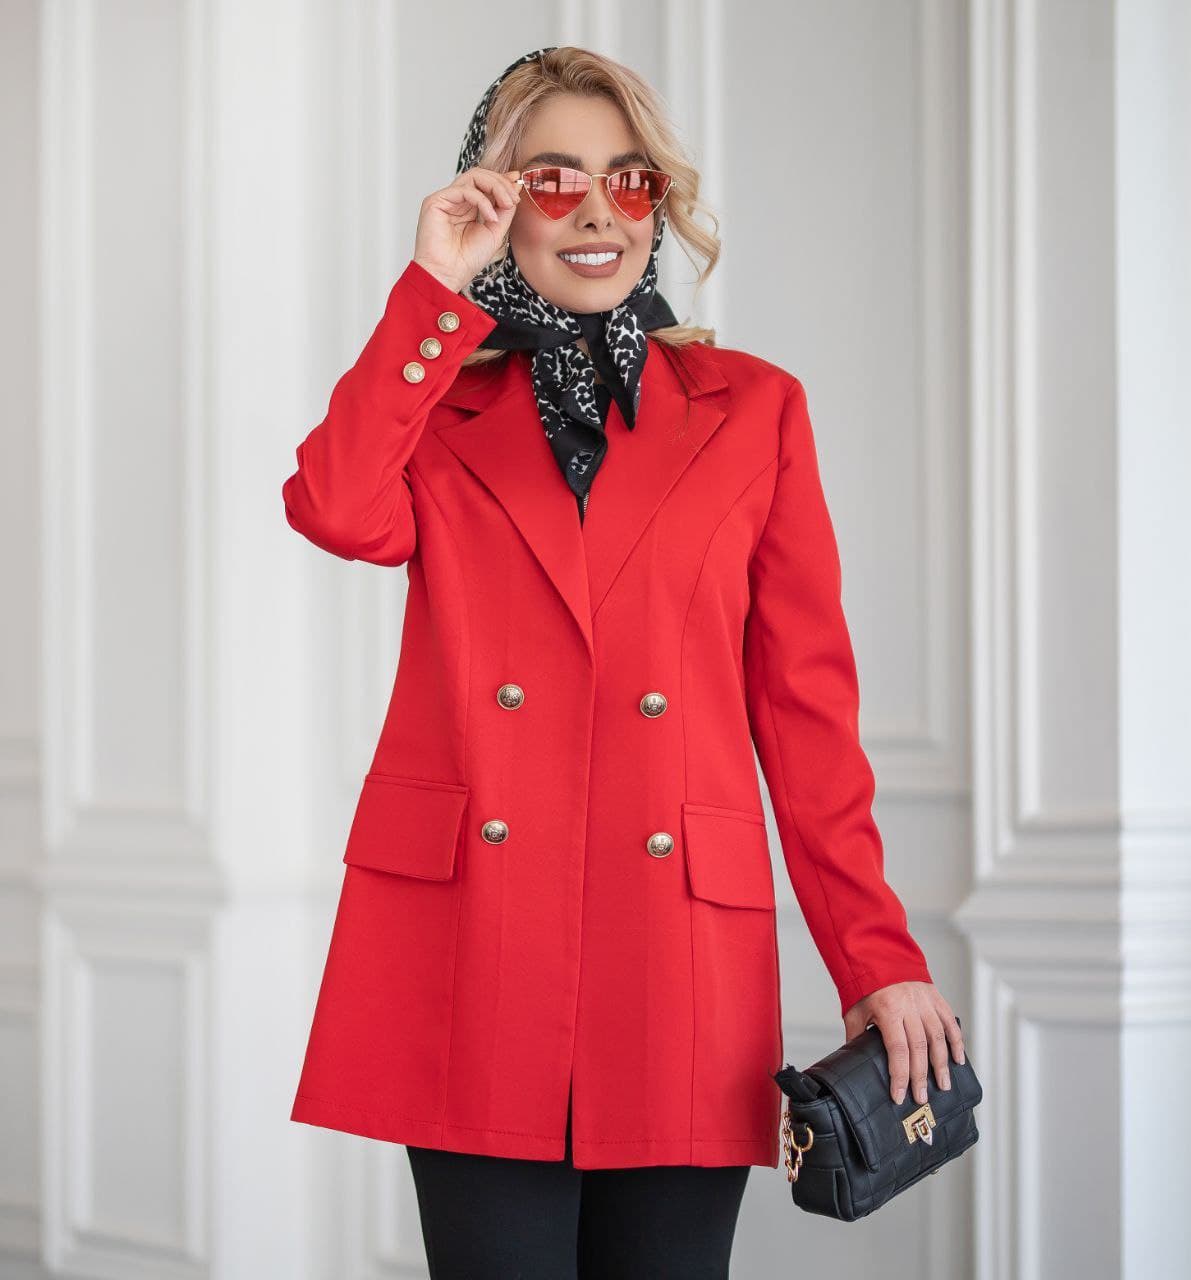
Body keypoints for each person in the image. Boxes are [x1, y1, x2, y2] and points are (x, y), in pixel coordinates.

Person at [282, 45, 966, 1279]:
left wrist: (877, 957)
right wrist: (434, 285)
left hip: (677, 945)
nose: (598, 210)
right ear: (497, 202)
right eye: (554, 179)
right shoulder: (438, 409)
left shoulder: (754, 409)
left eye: (630, 180)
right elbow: (333, 505)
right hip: (478, 939)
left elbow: (805, 711)